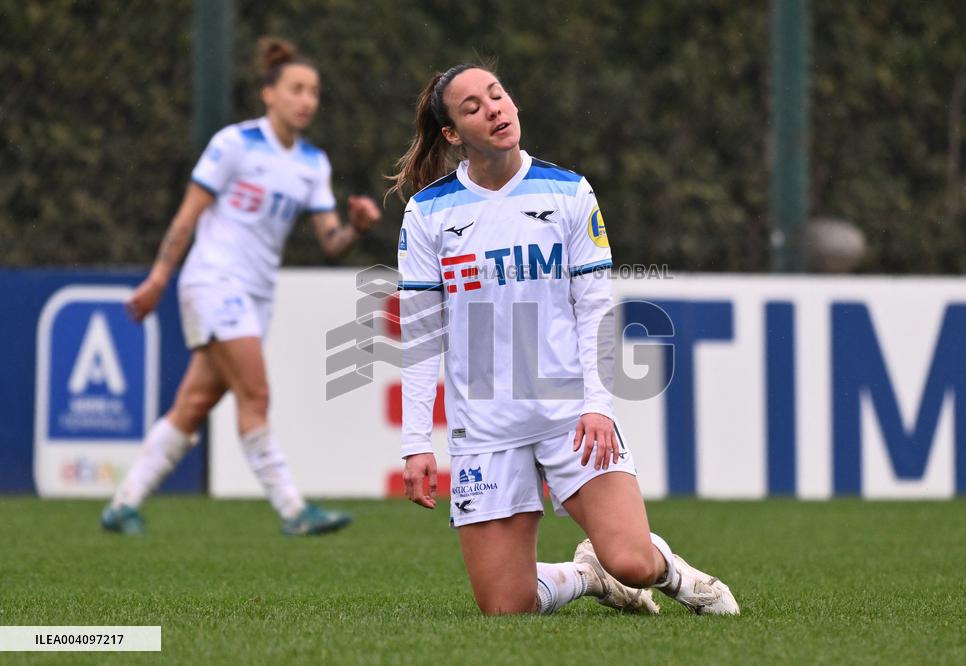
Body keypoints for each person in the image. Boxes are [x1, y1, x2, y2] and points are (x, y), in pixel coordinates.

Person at [388, 64, 739, 615]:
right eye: (474, 107)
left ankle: (670, 573)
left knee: (633, 560)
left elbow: (596, 307)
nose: (495, 110)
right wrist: (415, 442)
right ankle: (586, 576)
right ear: (453, 134)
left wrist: (598, 405)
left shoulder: (569, 191)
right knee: (507, 609)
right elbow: (420, 332)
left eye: (498, 95)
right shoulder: (428, 212)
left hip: (570, 414)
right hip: (484, 428)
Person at [101, 37, 381, 536]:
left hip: (256, 293)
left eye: (313, 91)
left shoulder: (313, 163)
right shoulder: (234, 144)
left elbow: (331, 242)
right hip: (212, 280)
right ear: (269, 94)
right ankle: (293, 510)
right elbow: (187, 216)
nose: (306, 100)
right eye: (295, 88)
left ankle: (123, 503)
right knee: (255, 393)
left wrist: (357, 227)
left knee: (192, 406)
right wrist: (158, 279)